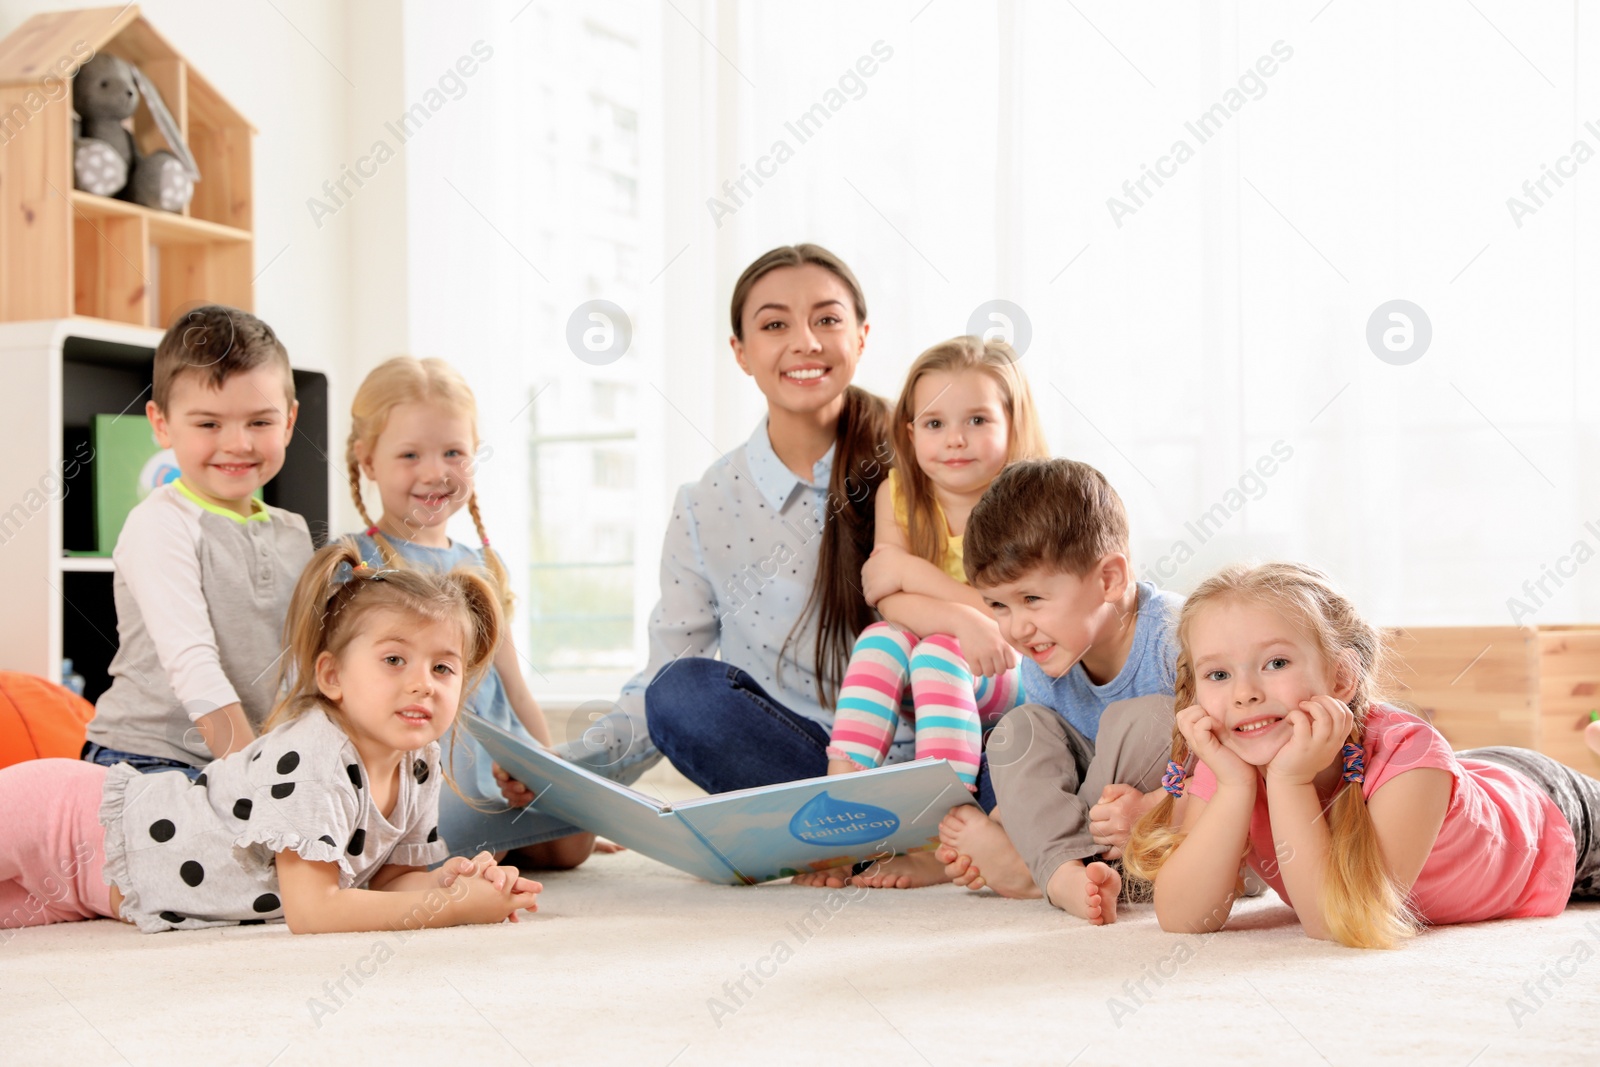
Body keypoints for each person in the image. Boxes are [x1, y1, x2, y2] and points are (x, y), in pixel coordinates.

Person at [1, 540, 540, 933]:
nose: (423, 683)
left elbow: (390, 884)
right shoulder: (317, 755)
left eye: (444, 668)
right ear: (331, 676)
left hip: (90, 893)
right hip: (65, 822)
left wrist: (457, 884)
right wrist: (459, 909)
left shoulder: (417, 762)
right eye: (394, 659)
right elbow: (315, 911)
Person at [1124, 561, 1600, 948]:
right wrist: (1233, 786)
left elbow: (1338, 922)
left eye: (1276, 663)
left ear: (1340, 677)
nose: (1244, 693)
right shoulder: (1230, 760)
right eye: (1218, 675)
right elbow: (1184, 917)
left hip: (1545, 813)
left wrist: (1290, 782)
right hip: (1467, 774)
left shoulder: (1410, 758)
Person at [640, 244, 900, 798]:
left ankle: (872, 833)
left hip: (933, 752)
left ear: (861, 336)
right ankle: (853, 828)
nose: (804, 341)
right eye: (775, 324)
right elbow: (666, 672)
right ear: (740, 351)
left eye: (827, 319)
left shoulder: (922, 455)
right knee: (677, 694)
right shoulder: (704, 503)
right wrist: (562, 774)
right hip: (796, 763)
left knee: (1028, 740)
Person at [345, 356, 617, 870]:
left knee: (574, 846)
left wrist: (551, 773)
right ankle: (485, 838)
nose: (434, 473)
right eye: (409, 454)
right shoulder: (358, 563)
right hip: (424, 766)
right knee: (450, 845)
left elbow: (513, 687)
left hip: (499, 765)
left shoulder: (480, 565)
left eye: (453, 452)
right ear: (368, 461)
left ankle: (508, 831)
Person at [934, 460, 1184, 922]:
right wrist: (1005, 822)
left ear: (1108, 579)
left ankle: (1041, 870)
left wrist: (1153, 806)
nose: (1016, 627)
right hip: (1101, 822)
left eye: (1031, 599)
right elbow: (1055, 773)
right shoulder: (1043, 662)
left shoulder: (1176, 639)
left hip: (1173, 819)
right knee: (1017, 730)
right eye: (996, 606)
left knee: (1143, 719)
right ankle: (1060, 868)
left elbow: (1234, 764)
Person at [83, 305, 313, 777]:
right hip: (149, 759)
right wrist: (258, 782)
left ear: (289, 421)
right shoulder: (160, 524)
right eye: (209, 424)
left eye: (260, 423)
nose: (238, 443)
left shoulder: (293, 532)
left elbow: (301, 667)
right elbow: (195, 668)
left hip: (248, 759)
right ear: (162, 423)